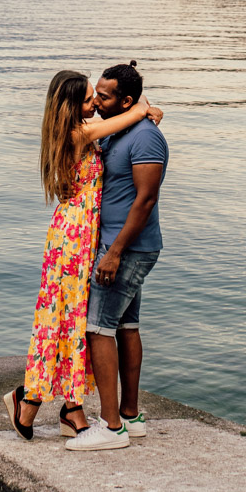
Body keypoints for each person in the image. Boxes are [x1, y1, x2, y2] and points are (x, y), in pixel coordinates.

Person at [4, 68, 162, 442]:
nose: (94, 104)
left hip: (83, 233)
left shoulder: (78, 133)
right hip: (74, 236)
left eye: (97, 97)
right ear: (71, 106)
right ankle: (30, 399)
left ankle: (69, 407)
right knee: (68, 318)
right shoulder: (76, 133)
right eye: (89, 98)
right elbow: (125, 118)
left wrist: (141, 113)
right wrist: (144, 109)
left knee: (73, 318)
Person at [67, 60, 168, 453]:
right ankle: (130, 415)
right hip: (117, 245)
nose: (96, 102)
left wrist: (114, 253)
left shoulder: (145, 138)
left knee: (98, 329)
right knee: (126, 326)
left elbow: (146, 200)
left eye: (104, 97)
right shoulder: (121, 127)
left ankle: (111, 428)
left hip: (125, 248)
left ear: (125, 100)